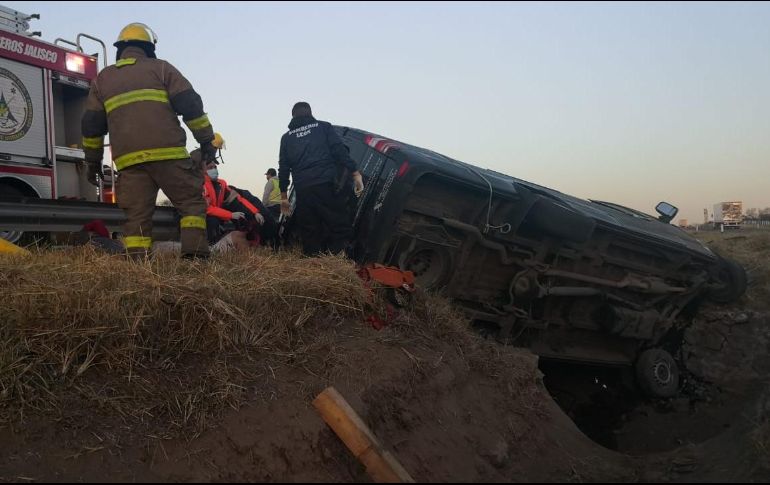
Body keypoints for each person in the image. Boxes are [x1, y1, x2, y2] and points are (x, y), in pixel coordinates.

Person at [81, 22, 216, 260]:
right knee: (191, 206)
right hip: (169, 156)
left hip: (129, 162)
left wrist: (92, 163)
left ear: (120, 49)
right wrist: (206, 141)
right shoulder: (162, 69)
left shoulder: (102, 80)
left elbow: (91, 127)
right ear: (148, 48)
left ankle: (138, 266)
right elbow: (191, 106)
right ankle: (194, 260)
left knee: (136, 217)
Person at [278, 102, 364, 256]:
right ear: (310, 113)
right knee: (339, 224)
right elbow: (339, 151)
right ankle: (334, 258)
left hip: (303, 189)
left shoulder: (286, 138)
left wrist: (284, 197)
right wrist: (355, 173)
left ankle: (313, 263)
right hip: (325, 184)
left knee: (310, 230)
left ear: (293, 116)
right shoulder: (323, 127)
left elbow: (283, 168)